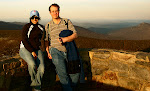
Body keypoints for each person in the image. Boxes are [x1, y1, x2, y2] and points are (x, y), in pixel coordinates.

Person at [45, 3, 81, 91]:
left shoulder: (66, 21)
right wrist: (48, 51)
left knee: (74, 74)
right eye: (53, 11)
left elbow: (75, 34)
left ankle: (71, 88)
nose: (55, 13)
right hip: (55, 50)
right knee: (62, 73)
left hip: (70, 51)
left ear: (59, 11)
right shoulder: (48, 25)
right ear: (50, 13)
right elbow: (46, 40)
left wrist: (65, 39)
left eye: (56, 11)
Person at [19, 10, 45, 91]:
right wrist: (32, 51)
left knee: (42, 67)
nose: (34, 19)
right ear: (30, 18)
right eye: (33, 17)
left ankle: (34, 84)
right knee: (32, 64)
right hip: (25, 48)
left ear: (38, 18)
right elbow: (24, 40)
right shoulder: (26, 26)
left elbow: (43, 39)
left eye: (36, 17)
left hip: (37, 49)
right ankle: (37, 88)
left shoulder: (41, 27)